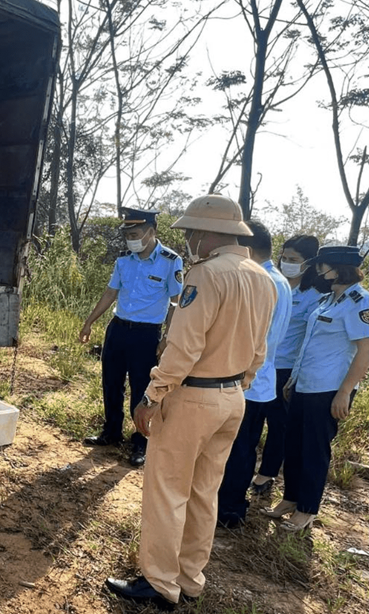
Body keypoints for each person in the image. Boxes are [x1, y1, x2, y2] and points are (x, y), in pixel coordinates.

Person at [105, 194, 275, 609]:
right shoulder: (262, 278)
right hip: (234, 397)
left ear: (209, 233)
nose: (190, 240)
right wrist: (240, 385)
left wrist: (151, 395)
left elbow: (183, 348)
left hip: (193, 398)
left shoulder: (205, 275)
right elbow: (260, 348)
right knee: (204, 492)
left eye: (193, 232)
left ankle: (160, 583)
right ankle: (190, 579)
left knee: (166, 489)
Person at [262, 245, 369, 531]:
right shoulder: (327, 300)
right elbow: (309, 345)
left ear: (338, 268)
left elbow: (364, 351)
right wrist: (294, 380)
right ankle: (291, 499)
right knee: (293, 445)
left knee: (313, 450)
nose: (319, 270)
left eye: (323, 265)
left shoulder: (359, 301)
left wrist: (345, 392)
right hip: (304, 385)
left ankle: (307, 509)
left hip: (328, 389)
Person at [80, 207, 183, 467]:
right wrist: (89, 322)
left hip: (147, 334)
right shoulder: (124, 261)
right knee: (111, 383)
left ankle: (141, 442)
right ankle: (111, 432)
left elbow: (175, 303)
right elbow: (109, 293)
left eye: (135, 233)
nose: (130, 239)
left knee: (141, 388)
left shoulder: (171, 261)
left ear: (151, 232)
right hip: (118, 329)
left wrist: (167, 339)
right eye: (127, 234)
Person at [216, 220, 292, 528]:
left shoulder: (263, 281)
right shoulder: (278, 280)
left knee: (238, 448)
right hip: (259, 380)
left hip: (247, 379)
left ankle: (229, 507)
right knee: (243, 446)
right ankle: (231, 504)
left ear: (245, 246)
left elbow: (253, 338)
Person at [251, 235, 321, 495]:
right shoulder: (271, 283)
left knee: (278, 424)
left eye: (294, 260)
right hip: (259, 363)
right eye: (285, 258)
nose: (287, 263)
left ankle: (266, 473)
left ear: (309, 263)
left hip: (286, 368)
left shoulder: (314, 297)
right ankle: (245, 467)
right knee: (252, 420)